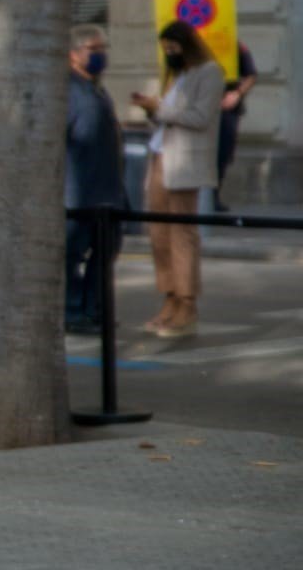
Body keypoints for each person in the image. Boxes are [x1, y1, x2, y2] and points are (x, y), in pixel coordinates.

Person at [130, 21, 224, 339]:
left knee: (182, 235)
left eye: (173, 47)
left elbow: (200, 117)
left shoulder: (209, 72)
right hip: (160, 157)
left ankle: (187, 302)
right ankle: (169, 296)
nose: (169, 53)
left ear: (187, 44)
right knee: (158, 234)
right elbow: (167, 116)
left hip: (185, 163)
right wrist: (150, 109)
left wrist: (161, 109)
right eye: (165, 48)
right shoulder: (177, 76)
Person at [64, 25, 126, 336]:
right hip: (77, 193)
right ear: (73, 55)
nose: (101, 55)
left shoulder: (98, 90)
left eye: (103, 48)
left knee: (104, 256)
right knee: (71, 257)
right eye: (94, 49)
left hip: (107, 192)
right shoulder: (67, 91)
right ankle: (74, 311)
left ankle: (94, 310)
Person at [216, 45, 258, 211]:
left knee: (222, 153)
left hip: (226, 108)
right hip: (201, 108)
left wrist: (237, 93)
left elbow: (251, 75)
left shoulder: (233, 44)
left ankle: (213, 195)